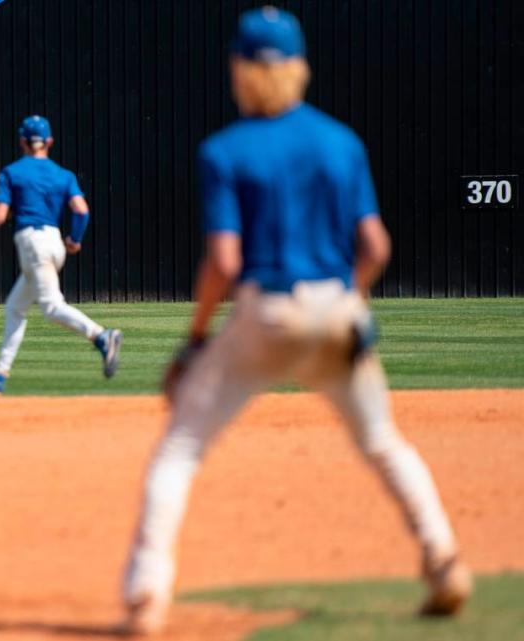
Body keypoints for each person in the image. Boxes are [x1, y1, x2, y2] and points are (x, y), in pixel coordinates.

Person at [120, 7, 471, 635]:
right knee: (383, 443)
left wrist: (196, 339)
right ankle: (444, 562)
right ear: (300, 66)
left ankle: (146, 593)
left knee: (179, 449)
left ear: (239, 69)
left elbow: (224, 262)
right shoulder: (341, 142)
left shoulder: (224, 150)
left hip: (266, 310)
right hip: (337, 309)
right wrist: (348, 301)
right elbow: (377, 249)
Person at [0, 115, 122, 396]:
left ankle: (102, 336)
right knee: (15, 307)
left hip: (32, 244)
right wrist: (74, 239)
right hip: (54, 242)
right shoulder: (64, 175)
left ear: (22, 142)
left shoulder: (12, 172)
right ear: (49, 142)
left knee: (51, 307)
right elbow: (81, 210)